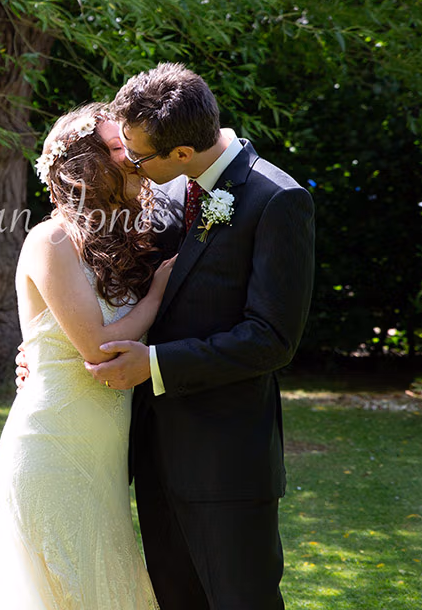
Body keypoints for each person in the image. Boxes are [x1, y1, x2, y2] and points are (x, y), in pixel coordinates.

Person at [81, 63, 317, 609]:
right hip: (154, 453)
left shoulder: (276, 200)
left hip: (227, 460)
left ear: (182, 153)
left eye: (138, 158)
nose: (132, 167)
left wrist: (155, 365)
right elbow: (122, 290)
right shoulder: (163, 192)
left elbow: (271, 338)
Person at [0, 104, 174, 610]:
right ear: (88, 166)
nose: (131, 158)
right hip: (54, 445)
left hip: (104, 451)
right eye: (116, 149)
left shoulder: (117, 240)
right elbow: (98, 347)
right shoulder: (51, 241)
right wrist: (156, 297)